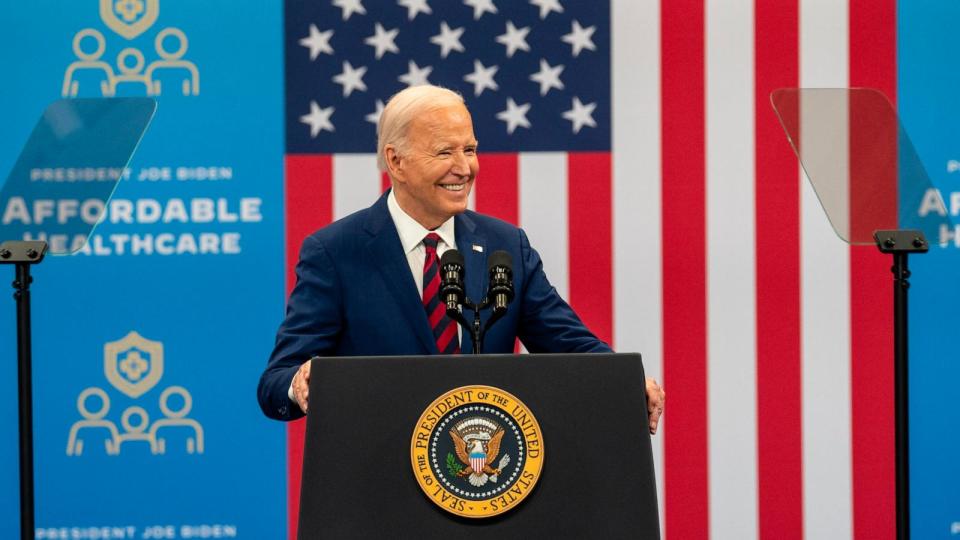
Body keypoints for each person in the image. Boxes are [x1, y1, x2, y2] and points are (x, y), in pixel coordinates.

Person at [257, 85, 665, 432]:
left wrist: (622, 381)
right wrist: (301, 382)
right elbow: (276, 383)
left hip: (483, 474)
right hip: (379, 484)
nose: (464, 168)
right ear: (396, 161)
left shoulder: (505, 246)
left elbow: (568, 343)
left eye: (469, 149)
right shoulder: (335, 252)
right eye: (444, 152)